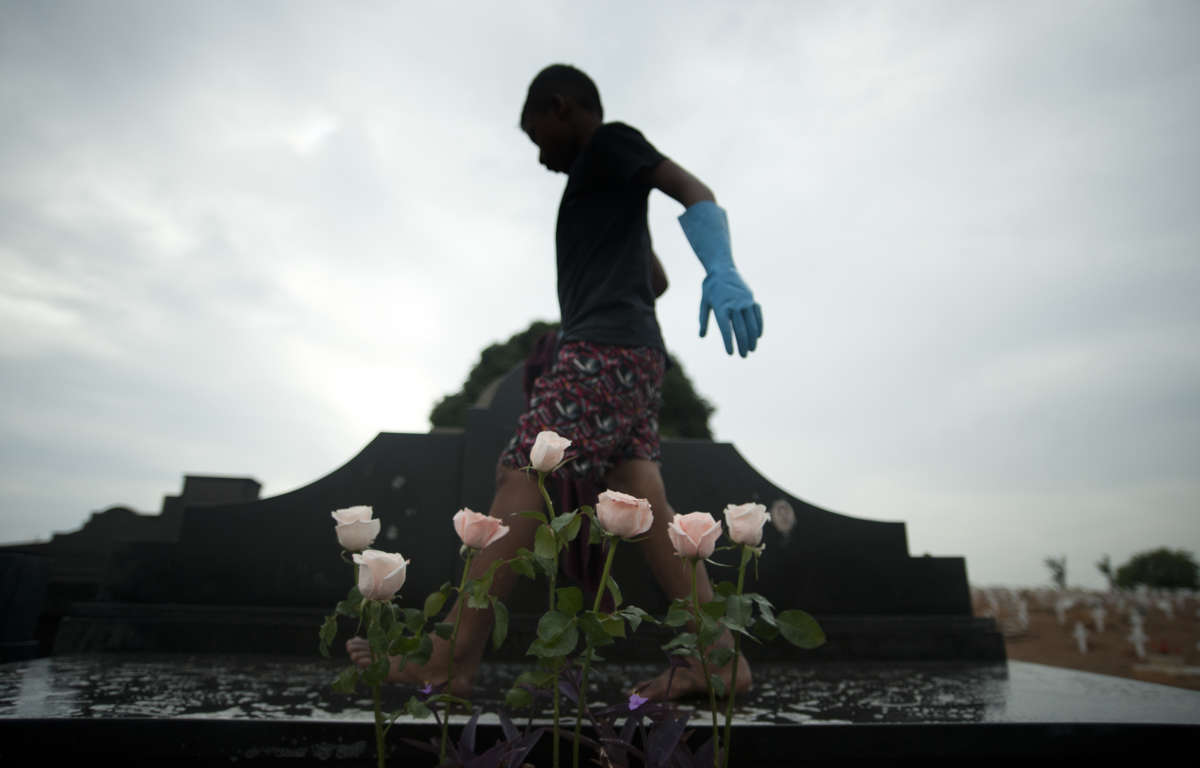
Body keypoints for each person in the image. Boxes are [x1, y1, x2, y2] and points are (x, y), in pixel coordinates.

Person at [348, 63, 763, 700]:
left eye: (536, 133)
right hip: (632, 356)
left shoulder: (610, 143)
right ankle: (719, 658)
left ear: (562, 107)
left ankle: (449, 660)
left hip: (605, 351)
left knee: (525, 472)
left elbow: (692, 190)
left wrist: (723, 269)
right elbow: (654, 280)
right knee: (640, 496)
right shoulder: (602, 187)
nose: (539, 154)